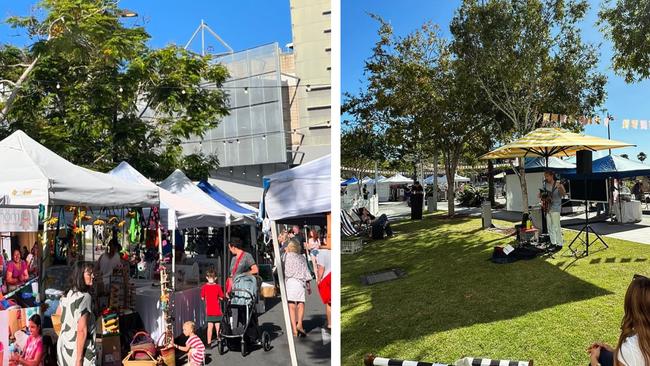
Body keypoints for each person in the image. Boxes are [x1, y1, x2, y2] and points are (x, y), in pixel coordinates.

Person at [587, 274, 650, 366]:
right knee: (605, 354)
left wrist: (594, 359)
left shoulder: (632, 349)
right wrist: (615, 351)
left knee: (602, 357)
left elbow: (633, 355)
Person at [56, 261, 96, 366]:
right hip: (80, 352)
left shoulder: (66, 295)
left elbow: (57, 317)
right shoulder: (85, 297)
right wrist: (79, 360)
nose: (93, 276)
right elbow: (82, 330)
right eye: (89, 274)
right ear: (80, 276)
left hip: (64, 348)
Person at [284, 239, 313, 337]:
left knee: (291, 305)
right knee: (301, 303)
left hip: (289, 282)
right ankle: (299, 323)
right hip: (299, 282)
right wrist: (308, 285)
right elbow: (306, 271)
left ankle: (294, 329)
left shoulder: (286, 257)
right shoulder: (301, 257)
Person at [540, 170, 565, 250]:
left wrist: (560, 187)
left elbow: (563, 194)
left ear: (551, 176)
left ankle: (559, 244)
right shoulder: (545, 184)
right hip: (547, 207)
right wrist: (541, 195)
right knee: (549, 226)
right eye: (545, 176)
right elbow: (544, 195)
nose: (546, 178)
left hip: (556, 207)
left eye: (547, 176)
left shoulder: (558, 183)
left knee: (556, 226)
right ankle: (553, 243)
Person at [200, 268, 224, 348]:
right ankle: (219, 340)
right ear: (216, 278)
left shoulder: (204, 287)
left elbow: (202, 298)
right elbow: (221, 297)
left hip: (209, 310)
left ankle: (209, 343)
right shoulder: (218, 287)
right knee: (218, 326)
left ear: (207, 277)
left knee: (210, 327)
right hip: (217, 310)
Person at [316, 244, 331, 331]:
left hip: (327, 277)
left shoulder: (323, 252)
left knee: (329, 302)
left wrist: (319, 279)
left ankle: (330, 323)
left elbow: (321, 267)